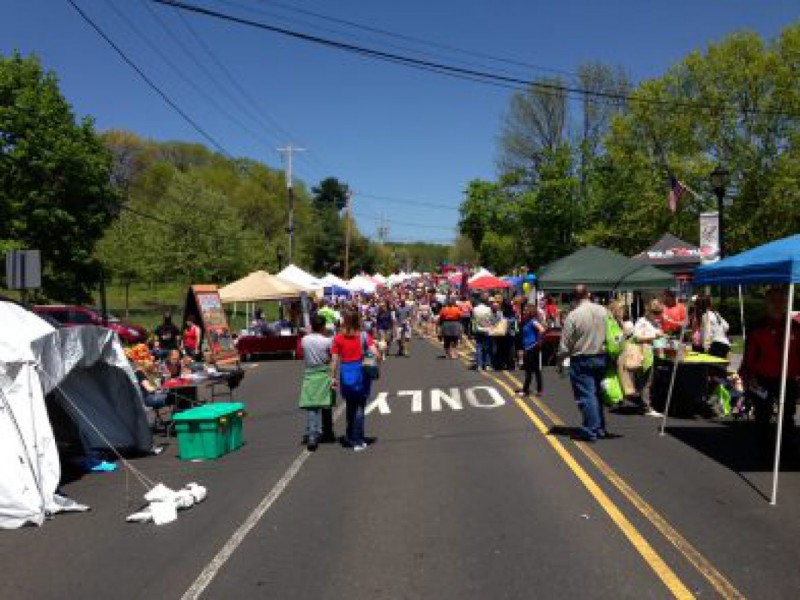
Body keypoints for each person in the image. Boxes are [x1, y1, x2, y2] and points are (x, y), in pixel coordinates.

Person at [741, 288, 800, 451]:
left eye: (781, 300)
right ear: (766, 303)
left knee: (788, 415)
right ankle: (762, 447)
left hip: (788, 379)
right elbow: (750, 356)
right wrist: (750, 376)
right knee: (763, 414)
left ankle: (787, 447)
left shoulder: (795, 327)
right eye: (773, 301)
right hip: (763, 379)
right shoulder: (758, 327)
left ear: (787, 303)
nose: (777, 304)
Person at [558, 285, 609, 441]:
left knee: (587, 396)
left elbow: (565, 344)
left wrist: (560, 361)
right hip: (601, 356)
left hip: (582, 358)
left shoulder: (573, 315)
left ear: (574, 298)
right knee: (597, 395)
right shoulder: (603, 311)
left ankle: (590, 429)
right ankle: (599, 427)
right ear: (589, 294)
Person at [331, 310, 380, 451]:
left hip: (346, 371)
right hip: (361, 371)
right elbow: (375, 353)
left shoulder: (338, 338)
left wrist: (332, 377)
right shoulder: (363, 336)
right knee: (359, 406)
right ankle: (358, 439)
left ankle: (350, 435)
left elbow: (334, 360)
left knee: (350, 406)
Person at [298, 315, 335, 451]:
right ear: (323, 326)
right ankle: (328, 432)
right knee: (326, 403)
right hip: (324, 371)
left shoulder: (304, 340)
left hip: (310, 372)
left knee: (312, 405)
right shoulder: (327, 341)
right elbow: (331, 357)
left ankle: (312, 434)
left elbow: (301, 352)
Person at [627, 300, 666, 417]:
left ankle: (644, 405)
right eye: (655, 313)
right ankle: (646, 407)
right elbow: (637, 337)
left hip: (652, 353)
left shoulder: (654, 322)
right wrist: (654, 336)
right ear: (649, 311)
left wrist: (661, 338)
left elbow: (658, 340)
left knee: (648, 381)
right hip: (643, 354)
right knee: (646, 381)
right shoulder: (642, 322)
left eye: (658, 313)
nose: (657, 316)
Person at [517, 303, 545, 396]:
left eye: (526, 310)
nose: (524, 311)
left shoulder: (533, 321)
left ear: (530, 312)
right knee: (535, 370)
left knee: (530, 370)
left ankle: (526, 390)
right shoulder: (527, 321)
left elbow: (542, 329)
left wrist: (539, 341)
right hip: (529, 348)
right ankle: (539, 390)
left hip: (531, 348)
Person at [695, 294, 731, 359]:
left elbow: (707, 332)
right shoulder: (716, 313)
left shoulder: (705, 316)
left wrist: (706, 348)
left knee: (712, 367)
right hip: (726, 344)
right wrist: (719, 332)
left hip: (716, 345)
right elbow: (726, 326)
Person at [472, 295, 494, 371]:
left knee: (479, 347)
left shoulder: (475, 309)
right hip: (487, 329)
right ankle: (487, 365)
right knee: (487, 348)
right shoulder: (488, 309)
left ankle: (479, 365)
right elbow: (491, 319)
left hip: (478, 329)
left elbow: (473, 319)